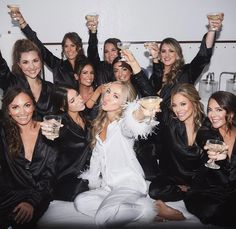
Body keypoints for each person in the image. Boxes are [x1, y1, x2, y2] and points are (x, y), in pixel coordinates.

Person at [74, 81, 184, 227]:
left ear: (123, 103)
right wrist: (93, 181)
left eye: (115, 96)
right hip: (108, 187)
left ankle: (152, 209)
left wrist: (143, 112)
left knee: (103, 218)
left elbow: (133, 121)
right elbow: (96, 159)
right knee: (81, 202)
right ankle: (138, 207)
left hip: (128, 184)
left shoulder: (122, 125)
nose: (107, 97)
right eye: (108, 92)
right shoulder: (99, 125)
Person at [0, 86, 58, 229]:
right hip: (9, 193)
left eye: (27, 105)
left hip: (38, 193)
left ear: (33, 105)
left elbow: (49, 175)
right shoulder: (4, 132)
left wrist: (32, 202)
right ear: (8, 110)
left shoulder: (48, 131)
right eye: (15, 107)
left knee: (20, 223)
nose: (22, 112)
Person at [139, 15, 224, 108]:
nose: (167, 55)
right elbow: (150, 94)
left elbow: (203, 56)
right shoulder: (156, 74)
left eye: (171, 51)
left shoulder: (186, 72)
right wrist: (155, 59)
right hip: (158, 120)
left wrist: (212, 30)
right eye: (163, 51)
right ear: (160, 54)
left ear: (178, 54)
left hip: (179, 119)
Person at [184, 91, 236, 228]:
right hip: (206, 191)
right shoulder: (207, 128)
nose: (212, 115)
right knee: (213, 211)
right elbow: (203, 137)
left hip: (231, 191)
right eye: (210, 110)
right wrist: (215, 149)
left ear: (230, 112)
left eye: (218, 110)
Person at [149, 83, 205, 202]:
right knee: (154, 191)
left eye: (183, 104)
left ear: (194, 102)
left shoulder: (206, 125)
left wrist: (194, 186)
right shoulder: (169, 121)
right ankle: (185, 193)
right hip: (172, 178)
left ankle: (190, 193)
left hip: (195, 180)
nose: (178, 110)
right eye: (174, 105)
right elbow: (149, 96)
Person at [9, 8, 86, 87]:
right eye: (66, 46)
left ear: (79, 47)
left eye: (72, 45)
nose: (69, 49)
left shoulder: (87, 65)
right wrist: (22, 21)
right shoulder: (58, 66)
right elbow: (39, 46)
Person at [40, 85, 92, 201]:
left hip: (89, 172)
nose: (80, 99)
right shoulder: (62, 123)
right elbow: (51, 130)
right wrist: (46, 130)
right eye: (72, 100)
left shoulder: (86, 118)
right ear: (63, 107)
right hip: (68, 180)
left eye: (77, 95)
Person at [0, 39, 54, 121]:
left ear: (41, 62)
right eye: (25, 62)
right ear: (19, 65)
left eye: (35, 61)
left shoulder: (50, 88)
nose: (32, 67)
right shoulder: (11, 82)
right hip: (13, 133)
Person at [86, 14, 121, 86]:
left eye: (113, 50)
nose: (110, 54)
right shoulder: (99, 67)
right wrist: (93, 33)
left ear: (120, 51)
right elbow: (92, 52)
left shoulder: (126, 68)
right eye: (106, 51)